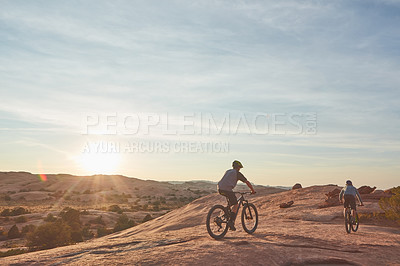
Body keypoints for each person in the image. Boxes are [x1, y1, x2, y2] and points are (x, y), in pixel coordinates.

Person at [217, 160, 256, 231]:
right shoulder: (237, 173)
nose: (239, 169)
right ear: (238, 167)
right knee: (236, 205)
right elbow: (247, 182)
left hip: (220, 188)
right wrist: (252, 190)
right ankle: (231, 222)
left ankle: (226, 213)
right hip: (227, 189)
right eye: (239, 168)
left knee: (230, 203)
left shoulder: (228, 171)